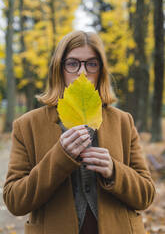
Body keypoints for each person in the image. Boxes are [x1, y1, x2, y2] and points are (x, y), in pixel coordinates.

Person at [3, 30, 155, 234]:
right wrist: (59, 158)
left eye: (92, 64)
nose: (82, 72)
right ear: (59, 68)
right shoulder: (27, 126)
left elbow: (145, 195)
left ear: (101, 70)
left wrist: (113, 170)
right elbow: (15, 201)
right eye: (73, 63)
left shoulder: (122, 122)